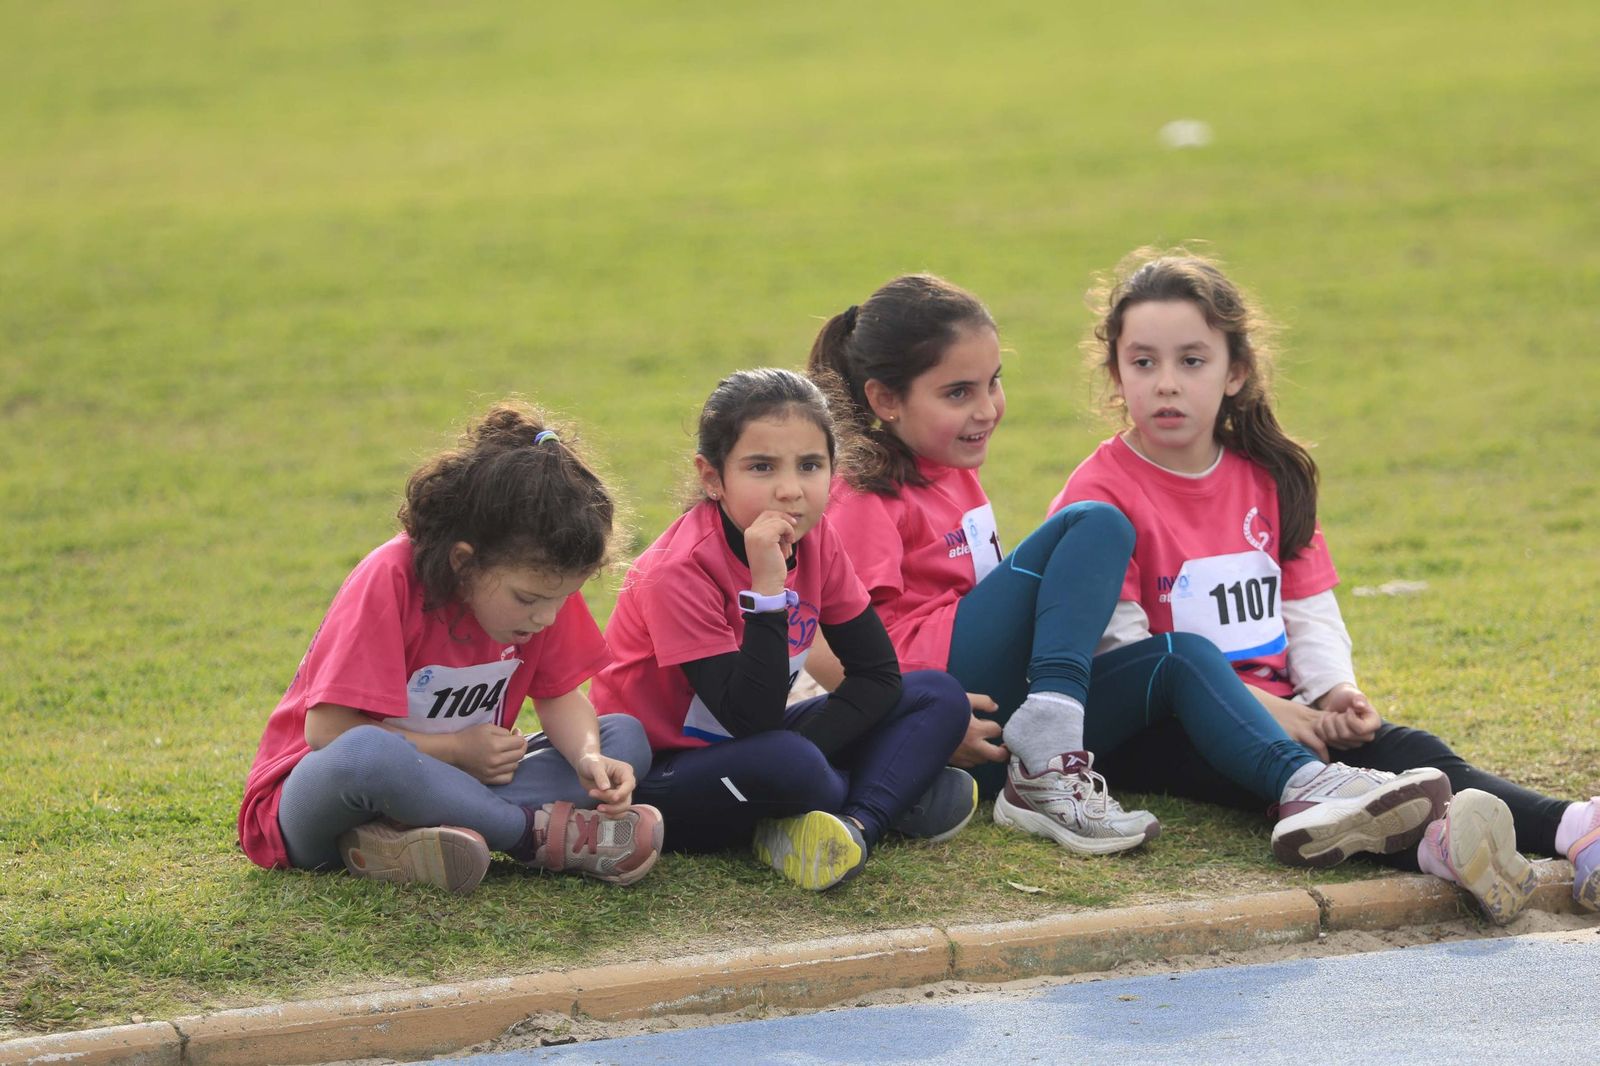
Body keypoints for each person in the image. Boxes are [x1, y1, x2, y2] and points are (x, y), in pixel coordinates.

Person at [808, 273, 1451, 867]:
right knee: (1098, 524)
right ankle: (1044, 754)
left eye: (993, 382)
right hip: (941, 710)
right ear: (885, 399)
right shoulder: (862, 495)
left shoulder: (953, 474)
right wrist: (925, 723)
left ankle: (1304, 785)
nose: (987, 408)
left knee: (1180, 656)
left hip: (993, 721)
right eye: (958, 393)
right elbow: (826, 648)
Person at [1052, 247, 1599, 922]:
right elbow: (1126, 649)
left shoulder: (1270, 475)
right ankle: (1444, 846)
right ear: (1115, 374)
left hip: (1289, 709)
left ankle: (1576, 827)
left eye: (1191, 361)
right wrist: (1266, 712)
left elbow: (1306, 609)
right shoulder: (1098, 491)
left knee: (1411, 751)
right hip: (1164, 726)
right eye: (1144, 362)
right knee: (1277, 774)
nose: (1166, 383)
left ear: (1236, 372)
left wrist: (1334, 691)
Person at [238, 402, 663, 894]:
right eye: (528, 599)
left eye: (562, 599)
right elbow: (328, 733)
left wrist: (590, 758)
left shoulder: (540, 586)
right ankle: (533, 836)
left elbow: (561, 696)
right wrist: (457, 751)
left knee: (623, 738)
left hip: (460, 784)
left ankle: (405, 845)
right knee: (368, 754)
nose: (546, 617)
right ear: (465, 562)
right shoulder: (391, 577)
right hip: (323, 801)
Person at [590, 368, 974, 891]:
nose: (790, 491)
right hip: (660, 771)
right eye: (762, 467)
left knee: (936, 694)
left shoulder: (819, 541)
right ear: (712, 477)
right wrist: (767, 591)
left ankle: (855, 826)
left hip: (763, 742)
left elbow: (877, 676)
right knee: (787, 761)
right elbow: (751, 720)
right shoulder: (676, 571)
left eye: (810, 465)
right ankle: (887, 793)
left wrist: (811, 752)